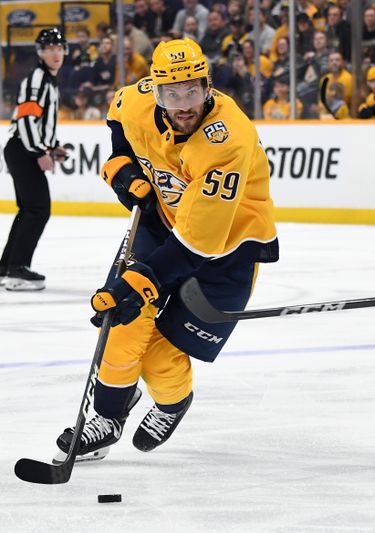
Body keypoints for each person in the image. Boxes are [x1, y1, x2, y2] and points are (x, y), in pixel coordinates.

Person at [55, 39, 279, 460]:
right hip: (164, 223)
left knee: (159, 357)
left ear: (208, 87)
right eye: (171, 94)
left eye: (192, 91)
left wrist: (134, 284)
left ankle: (173, 401)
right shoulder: (137, 101)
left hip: (230, 246)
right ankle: (105, 417)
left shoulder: (227, 140)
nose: (182, 104)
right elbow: (119, 125)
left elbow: (196, 244)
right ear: (155, 91)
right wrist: (123, 171)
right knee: (120, 323)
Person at [0, 28, 68, 291]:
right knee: (38, 209)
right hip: (23, 148)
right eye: (50, 48)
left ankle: (7, 266)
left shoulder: (48, 81)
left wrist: (52, 146)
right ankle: (17, 269)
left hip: (24, 147)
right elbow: (26, 119)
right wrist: (39, 152)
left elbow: (38, 121)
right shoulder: (38, 78)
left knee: (29, 209)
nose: (55, 53)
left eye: (59, 48)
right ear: (40, 52)